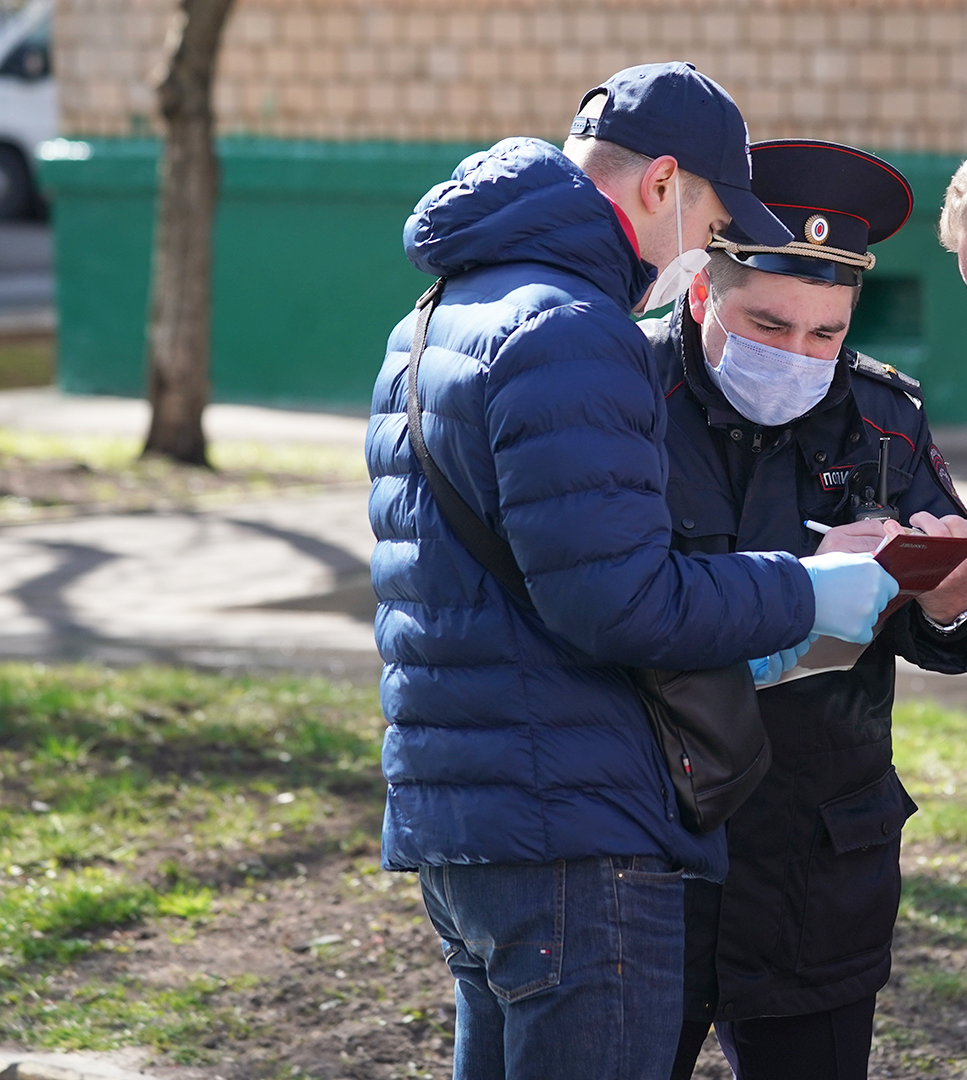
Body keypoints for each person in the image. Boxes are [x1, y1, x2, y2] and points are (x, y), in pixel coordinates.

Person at [366, 64, 901, 1080]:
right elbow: (620, 601)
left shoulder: (439, 313)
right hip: (578, 831)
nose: (701, 247)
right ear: (662, 183)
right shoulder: (574, 330)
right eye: (707, 217)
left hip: (468, 820)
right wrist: (808, 589)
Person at [649, 139, 967, 1080]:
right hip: (651, 842)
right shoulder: (624, 394)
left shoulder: (882, 419)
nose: (799, 356)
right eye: (767, 324)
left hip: (816, 858)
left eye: (826, 334)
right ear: (702, 292)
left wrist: (950, 599)